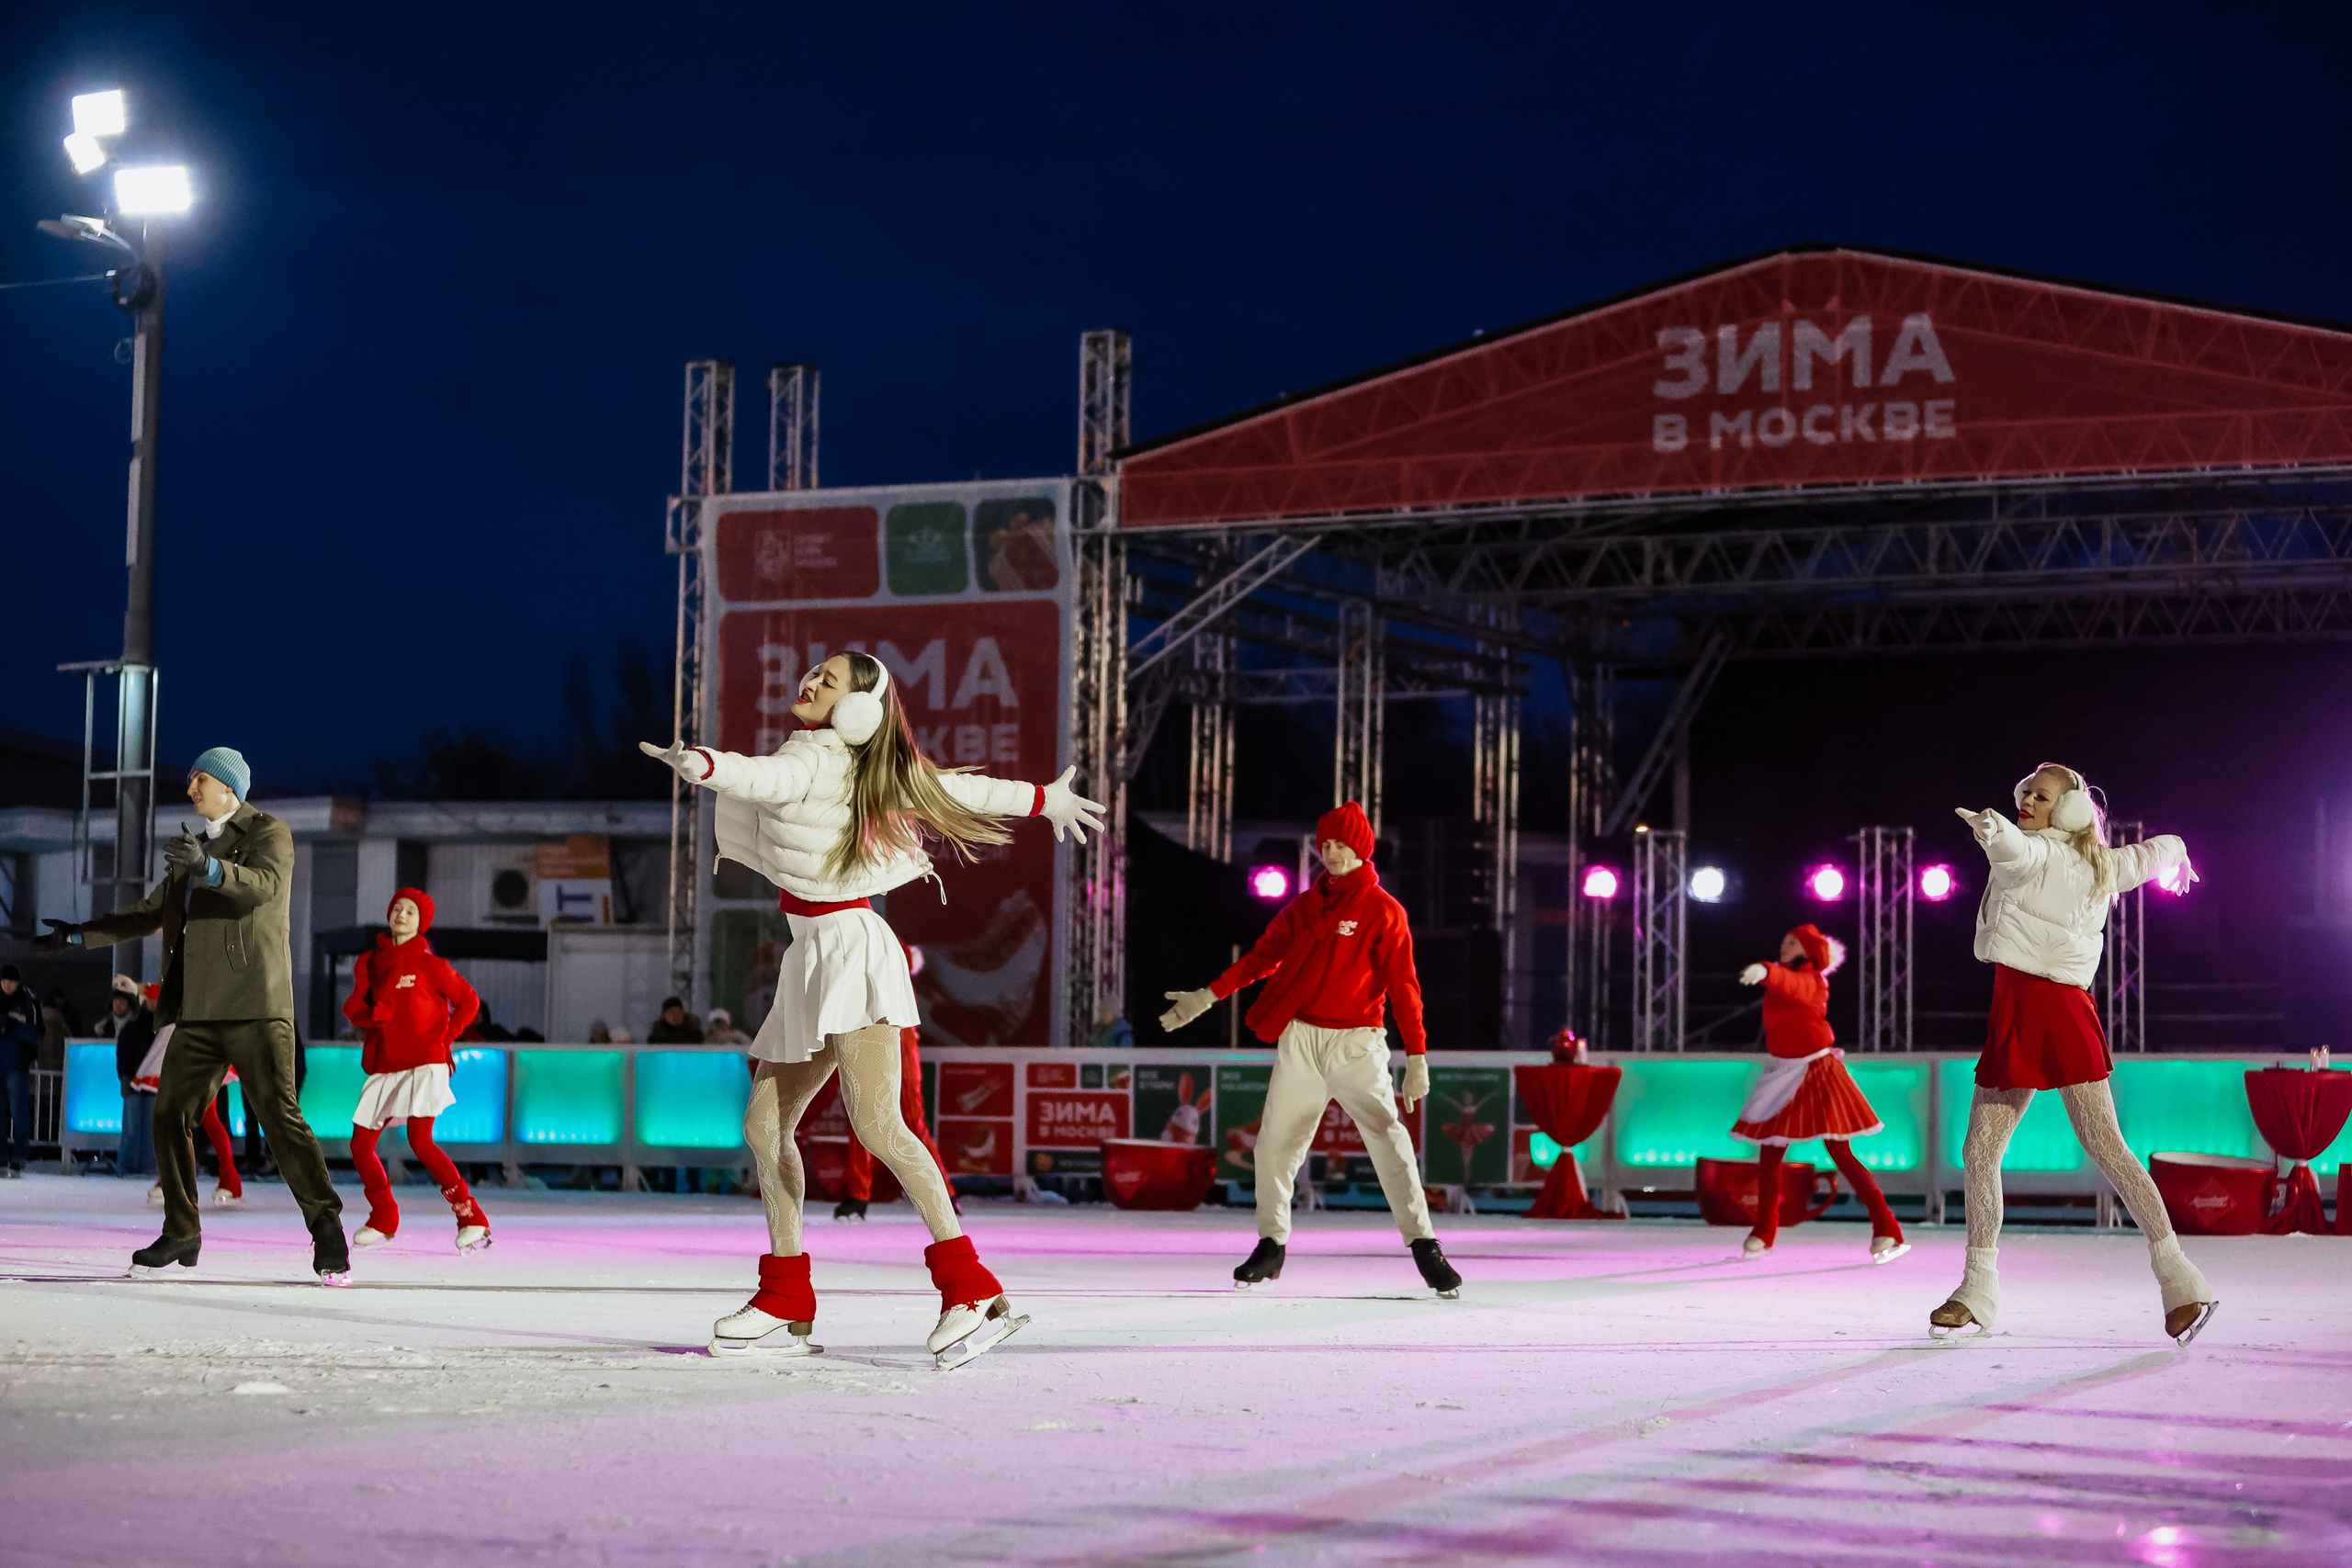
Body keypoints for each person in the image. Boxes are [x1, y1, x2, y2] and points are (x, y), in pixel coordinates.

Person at [641, 649, 1104, 1367]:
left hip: (851, 953)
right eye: (815, 673)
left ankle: (971, 1288)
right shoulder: (850, 762)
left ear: (858, 709)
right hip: (812, 956)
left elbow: (768, 778)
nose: (811, 681)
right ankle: (786, 1291)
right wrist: (1043, 798)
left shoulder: (821, 757)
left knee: (879, 1124)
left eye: (827, 680)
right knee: (766, 1125)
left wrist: (703, 764)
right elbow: (961, 790)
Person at [35, 747, 350, 1283]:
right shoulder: (195, 851)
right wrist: (79, 934)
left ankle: (326, 1227)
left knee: (279, 1117)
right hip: (200, 1012)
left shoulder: (267, 832)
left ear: (229, 786)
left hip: (256, 1006)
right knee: (170, 1114)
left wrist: (208, 867)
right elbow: (152, 913)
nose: (190, 790)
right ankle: (182, 1230)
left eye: (199, 779)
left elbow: (263, 887)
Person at [1937, 762, 2218, 1346]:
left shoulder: (2041, 852)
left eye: (2041, 796)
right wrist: (2180, 852)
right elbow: (2155, 851)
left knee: (2106, 1149)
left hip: (2053, 1013)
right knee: (1980, 1152)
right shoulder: (2102, 863)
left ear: (2069, 809)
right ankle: (1977, 1287)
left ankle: (2180, 1278)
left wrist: (1993, 832)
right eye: (2025, 794)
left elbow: (2014, 852)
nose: (2027, 802)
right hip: (2023, 1011)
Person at [1159, 801, 1461, 1299]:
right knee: (1274, 1145)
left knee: (1389, 1139)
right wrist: (1206, 996)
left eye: (1341, 844)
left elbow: (1405, 986)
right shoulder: (1304, 907)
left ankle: (1425, 1245)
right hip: (1301, 1039)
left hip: (1357, 1044)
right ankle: (1271, 1243)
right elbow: (1261, 959)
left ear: (1361, 847)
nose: (1332, 854)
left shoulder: (1384, 911)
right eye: (1325, 845)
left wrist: (1418, 1056)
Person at [1730, 924, 1907, 1264]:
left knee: (1840, 1152)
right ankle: (1764, 1231)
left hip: (1818, 1071)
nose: (1785, 944)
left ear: (1809, 951)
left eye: (1793, 941)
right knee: (1770, 1154)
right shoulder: (1782, 975)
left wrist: (1766, 970)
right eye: (1784, 939)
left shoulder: (1812, 981)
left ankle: (1887, 1226)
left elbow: (1792, 985)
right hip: (1786, 1072)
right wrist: (1770, 971)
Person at [341, 887, 491, 1252]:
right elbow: (354, 1007)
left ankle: (471, 1216)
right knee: (361, 1146)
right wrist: (369, 1016)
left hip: (426, 1061)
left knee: (420, 1140)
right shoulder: (369, 962)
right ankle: (384, 1215)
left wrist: (448, 1036)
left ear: (421, 922)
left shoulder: (430, 964)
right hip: (386, 1062)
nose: (401, 914)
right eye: (397, 908)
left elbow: (469, 1002)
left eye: (410, 911)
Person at [832, 944, 955, 1222]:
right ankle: (858, 1192)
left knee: (910, 1119)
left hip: (895, 1039)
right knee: (863, 1117)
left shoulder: (882, 950)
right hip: (868, 1038)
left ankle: (944, 1191)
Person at [105, 976, 158, 1177]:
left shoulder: (159, 1029)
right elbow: (123, 1055)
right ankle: (130, 1165)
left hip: (151, 1084)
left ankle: (142, 1165)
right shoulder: (135, 1028)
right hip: (138, 1083)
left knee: (145, 1128)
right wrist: (124, 1079)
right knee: (134, 1127)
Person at [0, 966, 41, 1178]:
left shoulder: (28, 1001)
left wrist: (14, 1027)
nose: (7, 985)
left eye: (11, 982)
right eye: (4, 981)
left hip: (17, 1065)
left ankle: (18, 1157)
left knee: (19, 1113)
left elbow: (38, 1034)